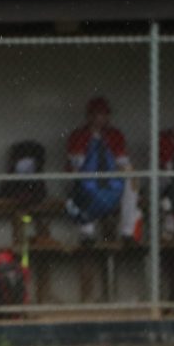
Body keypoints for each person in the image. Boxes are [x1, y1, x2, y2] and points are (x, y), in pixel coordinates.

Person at [65, 96, 142, 245]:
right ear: (89, 116)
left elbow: (123, 163)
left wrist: (124, 170)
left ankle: (128, 233)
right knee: (82, 182)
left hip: (110, 180)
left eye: (103, 114)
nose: (100, 118)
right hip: (86, 177)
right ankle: (87, 234)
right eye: (96, 114)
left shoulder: (114, 134)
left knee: (132, 180)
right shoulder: (78, 135)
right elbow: (78, 164)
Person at [158, 111, 174, 241]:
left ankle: (170, 225)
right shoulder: (165, 138)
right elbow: (167, 166)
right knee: (173, 185)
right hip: (166, 178)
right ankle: (169, 225)